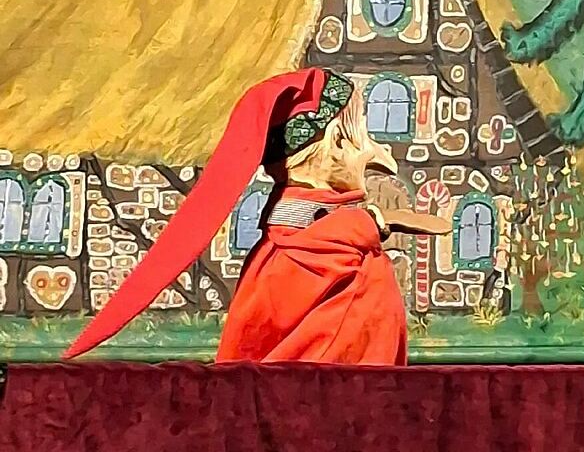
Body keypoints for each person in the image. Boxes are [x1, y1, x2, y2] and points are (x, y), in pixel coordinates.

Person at [64, 68, 448, 364]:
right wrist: (372, 221)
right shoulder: (316, 255)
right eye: (365, 135)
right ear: (338, 142)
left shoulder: (302, 248)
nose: (377, 150)